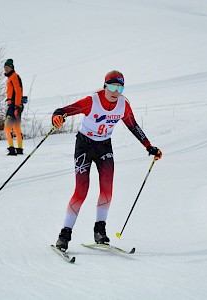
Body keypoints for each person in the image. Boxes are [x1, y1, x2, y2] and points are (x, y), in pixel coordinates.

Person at [52, 70, 162, 251]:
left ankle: (100, 232)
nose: (115, 91)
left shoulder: (123, 105)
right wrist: (57, 116)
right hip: (84, 146)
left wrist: (149, 147)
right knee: (81, 192)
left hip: (104, 146)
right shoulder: (92, 101)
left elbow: (133, 126)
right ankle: (64, 235)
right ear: (105, 86)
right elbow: (64, 111)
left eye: (120, 88)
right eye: (111, 86)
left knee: (107, 190)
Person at [3, 59, 24, 155]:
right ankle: (19, 149)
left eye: (7, 68)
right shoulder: (11, 77)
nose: (5, 70)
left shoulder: (14, 77)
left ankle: (12, 149)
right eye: (5, 68)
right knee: (16, 128)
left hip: (13, 106)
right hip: (15, 105)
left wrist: (16, 106)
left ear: (11, 68)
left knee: (7, 128)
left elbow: (18, 91)